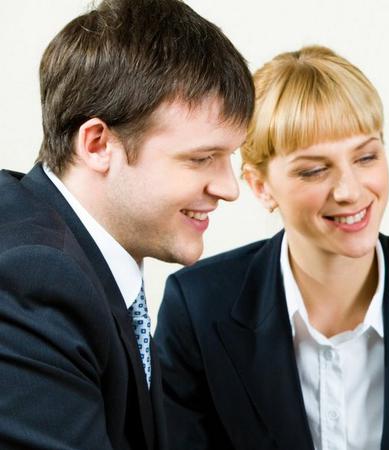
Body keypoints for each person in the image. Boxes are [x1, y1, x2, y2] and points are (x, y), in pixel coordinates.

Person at [155, 45, 389, 450]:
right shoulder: (197, 308)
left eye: (366, 157)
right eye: (315, 170)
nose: (350, 191)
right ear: (261, 187)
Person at [0, 0, 254, 448]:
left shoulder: (80, 257)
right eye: (202, 158)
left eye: (229, 157)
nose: (228, 187)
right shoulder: (31, 279)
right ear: (98, 144)